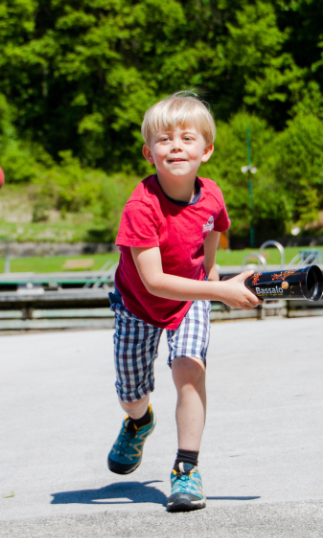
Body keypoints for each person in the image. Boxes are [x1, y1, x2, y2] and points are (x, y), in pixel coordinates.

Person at [107, 91, 262, 512]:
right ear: (148, 152)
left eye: (187, 138)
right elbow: (155, 282)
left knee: (189, 371)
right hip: (139, 304)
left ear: (206, 150)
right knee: (130, 392)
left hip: (190, 299)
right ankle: (139, 422)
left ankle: (186, 468)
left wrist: (211, 269)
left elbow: (213, 226)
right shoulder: (140, 208)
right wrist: (221, 289)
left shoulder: (211, 194)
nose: (176, 145)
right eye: (165, 139)